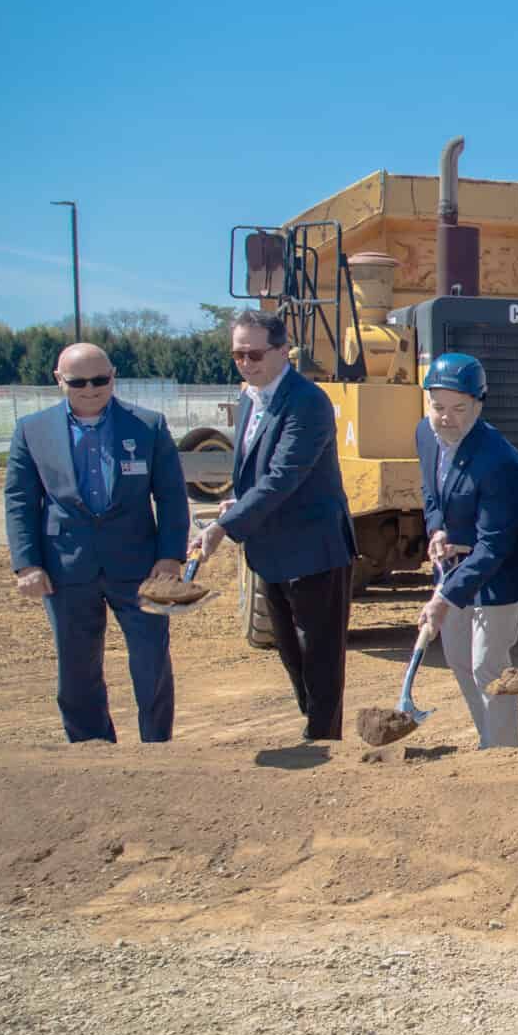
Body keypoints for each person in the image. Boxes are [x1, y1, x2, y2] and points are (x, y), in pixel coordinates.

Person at [3, 342, 187, 742]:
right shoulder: (32, 431)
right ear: (59, 380)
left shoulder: (148, 426)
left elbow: (171, 495)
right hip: (66, 569)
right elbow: (19, 500)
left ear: (113, 376)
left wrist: (171, 557)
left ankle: (156, 746)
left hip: (140, 569)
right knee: (76, 670)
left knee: (151, 662)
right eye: (78, 381)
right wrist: (27, 563)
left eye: (100, 380)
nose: (91, 389)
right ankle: (91, 748)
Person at [198, 310, 356, 742]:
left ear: (283, 351)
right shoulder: (250, 398)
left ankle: (324, 743)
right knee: (290, 653)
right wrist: (238, 502)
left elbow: (284, 475)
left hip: (314, 551)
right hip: (270, 552)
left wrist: (225, 526)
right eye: (237, 355)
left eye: (254, 353)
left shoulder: (308, 402)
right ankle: (316, 728)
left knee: (320, 658)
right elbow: (254, 471)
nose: (246, 363)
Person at [414, 353, 518, 749]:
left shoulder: (499, 459)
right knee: (458, 658)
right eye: (438, 407)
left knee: (488, 665)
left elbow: (495, 544)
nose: (446, 418)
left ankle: (503, 754)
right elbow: (431, 492)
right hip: (455, 562)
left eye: (459, 409)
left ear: (479, 405)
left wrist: (443, 597)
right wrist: (437, 529)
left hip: (500, 569)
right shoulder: (425, 434)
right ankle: (488, 740)